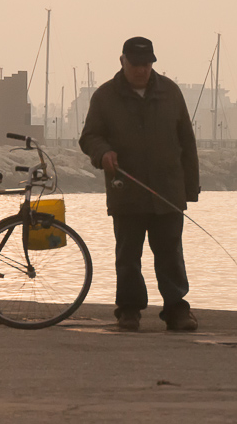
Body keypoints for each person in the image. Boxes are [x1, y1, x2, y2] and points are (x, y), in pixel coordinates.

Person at [79, 37, 201, 332]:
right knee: (128, 255)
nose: (142, 70)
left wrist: (190, 188)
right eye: (136, 64)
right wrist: (103, 153)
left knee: (170, 253)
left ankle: (176, 309)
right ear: (122, 61)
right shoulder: (105, 96)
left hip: (168, 190)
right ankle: (129, 310)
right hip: (126, 190)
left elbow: (187, 140)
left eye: (147, 64)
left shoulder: (170, 92)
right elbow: (89, 137)